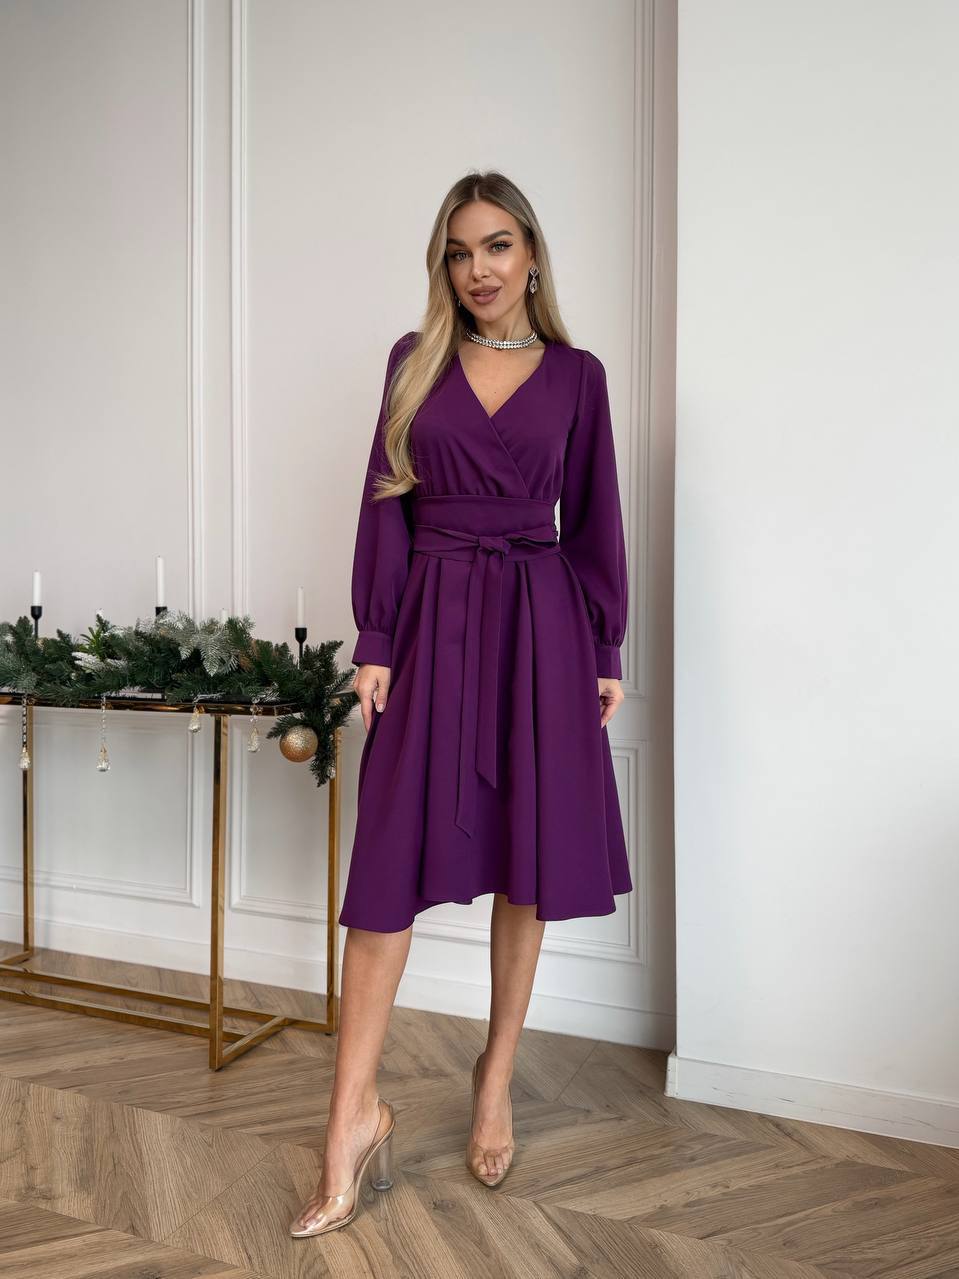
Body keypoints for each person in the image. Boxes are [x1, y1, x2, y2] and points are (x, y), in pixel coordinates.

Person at [290, 170, 631, 1239]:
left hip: (540, 627)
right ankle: (350, 1115)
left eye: (494, 246)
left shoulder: (577, 376)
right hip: (431, 618)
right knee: (384, 871)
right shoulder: (414, 359)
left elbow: (595, 521)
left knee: (525, 856)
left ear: (530, 253)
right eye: (456, 250)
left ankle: (494, 1075)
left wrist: (604, 640)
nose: (476, 269)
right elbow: (383, 497)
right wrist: (377, 633)